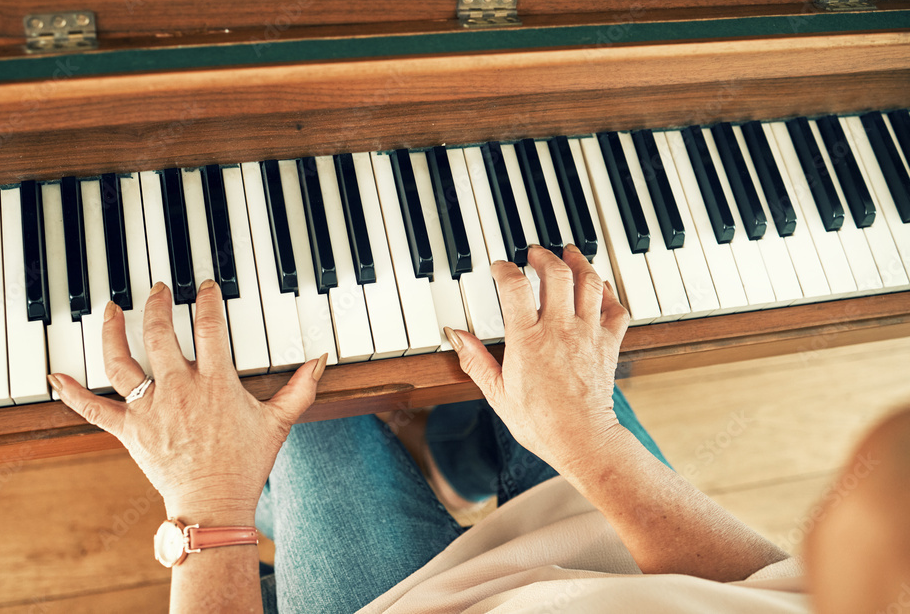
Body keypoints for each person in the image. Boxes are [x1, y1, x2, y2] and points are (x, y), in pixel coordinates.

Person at [49, 244, 908, 613]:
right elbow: (765, 588)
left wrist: (209, 501)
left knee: (298, 388)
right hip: (617, 558)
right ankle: (465, 456)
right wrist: (589, 440)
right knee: (524, 344)